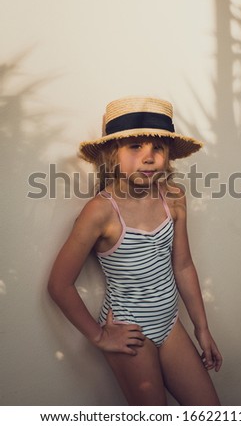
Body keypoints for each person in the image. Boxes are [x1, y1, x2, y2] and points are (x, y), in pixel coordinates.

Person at [48, 96, 222, 406]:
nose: (149, 156)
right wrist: (100, 336)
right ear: (113, 154)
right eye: (135, 147)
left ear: (168, 155)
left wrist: (202, 328)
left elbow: (182, 266)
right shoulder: (100, 211)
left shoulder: (174, 197)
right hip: (130, 331)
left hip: (169, 323)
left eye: (157, 147)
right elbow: (59, 285)